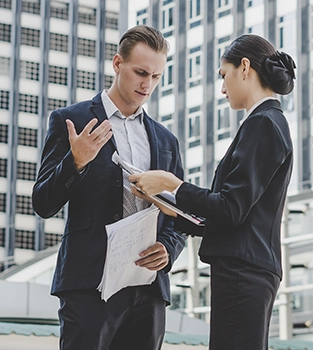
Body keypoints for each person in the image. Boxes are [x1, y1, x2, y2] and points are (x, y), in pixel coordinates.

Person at [129, 34, 296, 350]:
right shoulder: (265, 122)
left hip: (242, 273)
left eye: (224, 75)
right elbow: (233, 214)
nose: (222, 88)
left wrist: (171, 184)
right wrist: (171, 207)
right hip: (245, 271)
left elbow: (231, 207)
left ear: (244, 67)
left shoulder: (264, 123)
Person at [32, 25, 186, 350]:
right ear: (117, 64)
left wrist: (169, 247)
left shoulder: (166, 141)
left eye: (156, 77)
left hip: (147, 288)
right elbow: (43, 203)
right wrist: (75, 161)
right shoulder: (70, 121)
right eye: (141, 72)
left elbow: (178, 211)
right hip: (89, 285)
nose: (148, 84)